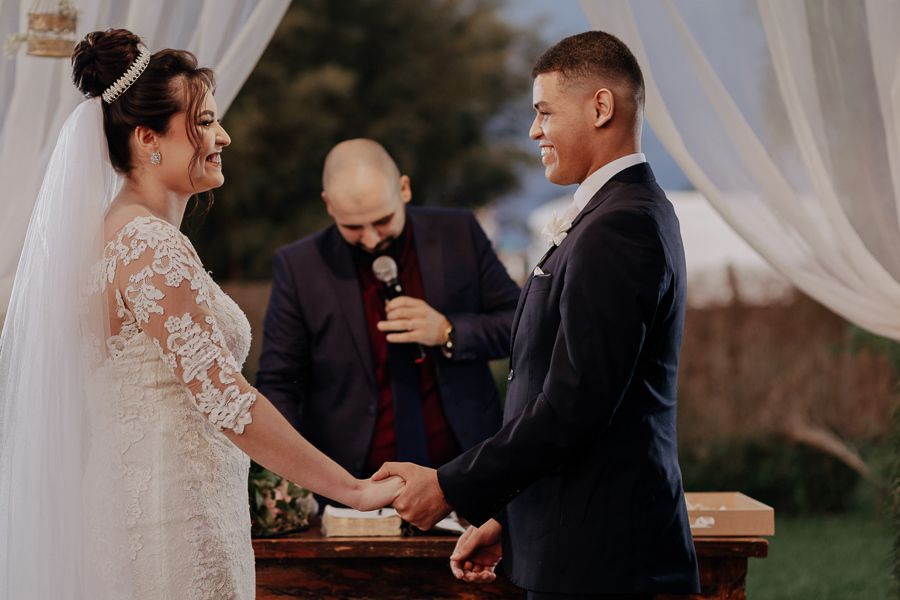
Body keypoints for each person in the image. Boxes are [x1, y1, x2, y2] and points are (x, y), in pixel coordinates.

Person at [0, 29, 401, 599]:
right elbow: (228, 401)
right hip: (170, 517)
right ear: (148, 139)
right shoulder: (147, 243)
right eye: (206, 122)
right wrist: (354, 491)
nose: (224, 136)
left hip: (146, 499)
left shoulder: (118, 236)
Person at [374, 31, 701, 598]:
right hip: (574, 542)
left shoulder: (621, 226)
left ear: (601, 107)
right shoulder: (616, 214)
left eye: (545, 112)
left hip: (606, 565)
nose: (534, 131)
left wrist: (451, 486)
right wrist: (513, 521)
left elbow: (575, 405)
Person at [256, 139, 521, 499]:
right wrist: (290, 480)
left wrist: (448, 331)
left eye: (382, 221)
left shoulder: (458, 233)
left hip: (467, 472)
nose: (370, 240)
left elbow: (520, 324)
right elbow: (279, 381)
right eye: (352, 227)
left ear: (404, 189)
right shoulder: (299, 266)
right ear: (328, 204)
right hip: (350, 487)